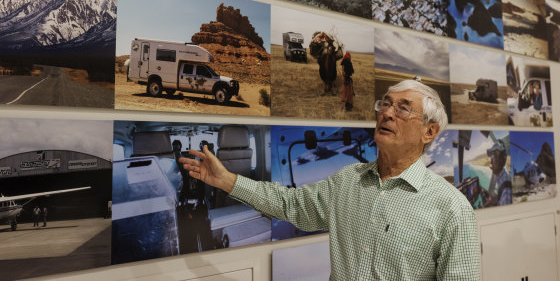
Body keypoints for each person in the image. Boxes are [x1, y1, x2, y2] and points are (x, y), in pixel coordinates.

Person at [180, 80, 480, 280]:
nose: (387, 113)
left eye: (403, 108)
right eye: (385, 104)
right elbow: (290, 204)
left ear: (429, 132)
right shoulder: (348, 182)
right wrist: (229, 180)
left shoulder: (451, 208)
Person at [484, 140, 512, 207]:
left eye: (494, 156)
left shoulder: (506, 193)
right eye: (491, 157)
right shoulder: (503, 177)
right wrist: (497, 198)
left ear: (502, 159)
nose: (491, 162)